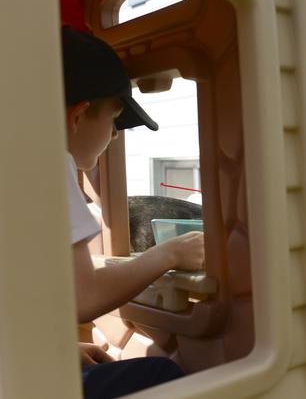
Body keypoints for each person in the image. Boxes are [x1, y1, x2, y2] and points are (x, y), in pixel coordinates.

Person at [61, 26, 205, 397]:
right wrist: (169, 253)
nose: (113, 136)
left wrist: (56, 352)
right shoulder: (48, 162)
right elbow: (83, 297)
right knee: (161, 375)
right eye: (113, 121)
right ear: (78, 116)